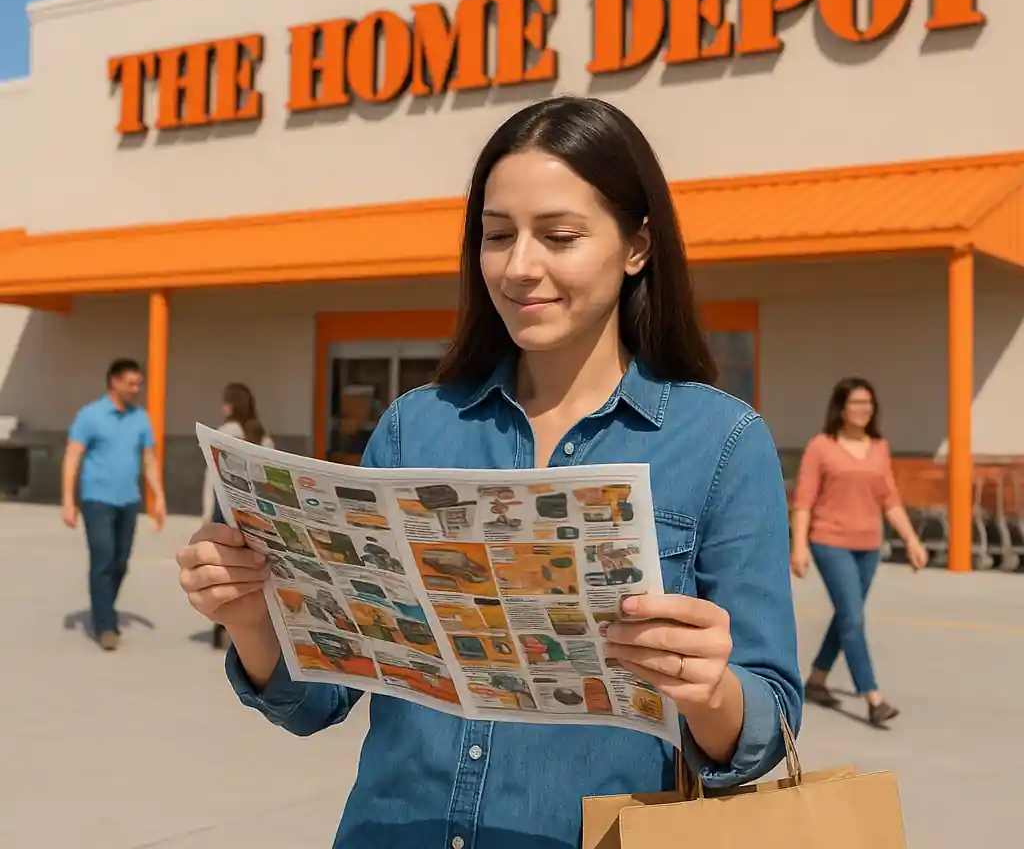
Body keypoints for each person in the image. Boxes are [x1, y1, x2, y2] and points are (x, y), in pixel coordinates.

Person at [176, 96, 802, 849]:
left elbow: (764, 726)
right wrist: (250, 616)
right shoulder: (416, 427)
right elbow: (319, 698)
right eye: (497, 236)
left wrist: (710, 692)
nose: (519, 267)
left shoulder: (724, 443)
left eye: (559, 236)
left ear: (637, 246)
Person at [790, 376, 929, 726]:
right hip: (829, 542)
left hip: (868, 545)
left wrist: (911, 539)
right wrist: (799, 545)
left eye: (869, 403)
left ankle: (818, 680)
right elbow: (804, 501)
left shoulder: (879, 446)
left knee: (845, 616)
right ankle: (873, 697)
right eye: (857, 403)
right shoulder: (820, 446)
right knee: (853, 618)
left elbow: (890, 499)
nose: (865, 409)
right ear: (841, 407)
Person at [63, 357, 167, 651]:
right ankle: (105, 625)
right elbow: (72, 458)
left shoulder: (140, 418)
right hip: (96, 499)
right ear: (114, 382)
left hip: (128, 500)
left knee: (120, 563)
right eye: (132, 383)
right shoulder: (90, 415)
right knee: (103, 559)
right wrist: (68, 501)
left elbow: (149, 460)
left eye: (139, 384)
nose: (136, 389)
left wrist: (158, 497)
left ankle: (103, 606)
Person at [201, 382, 274, 649]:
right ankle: (248, 631)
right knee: (250, 570)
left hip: (225, 507)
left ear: (230, 405)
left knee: (223, 569)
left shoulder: (224, 432)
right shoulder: (261, 434)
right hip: (253, 510)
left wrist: (206, 514)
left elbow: (212, 477)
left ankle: (221, 628)